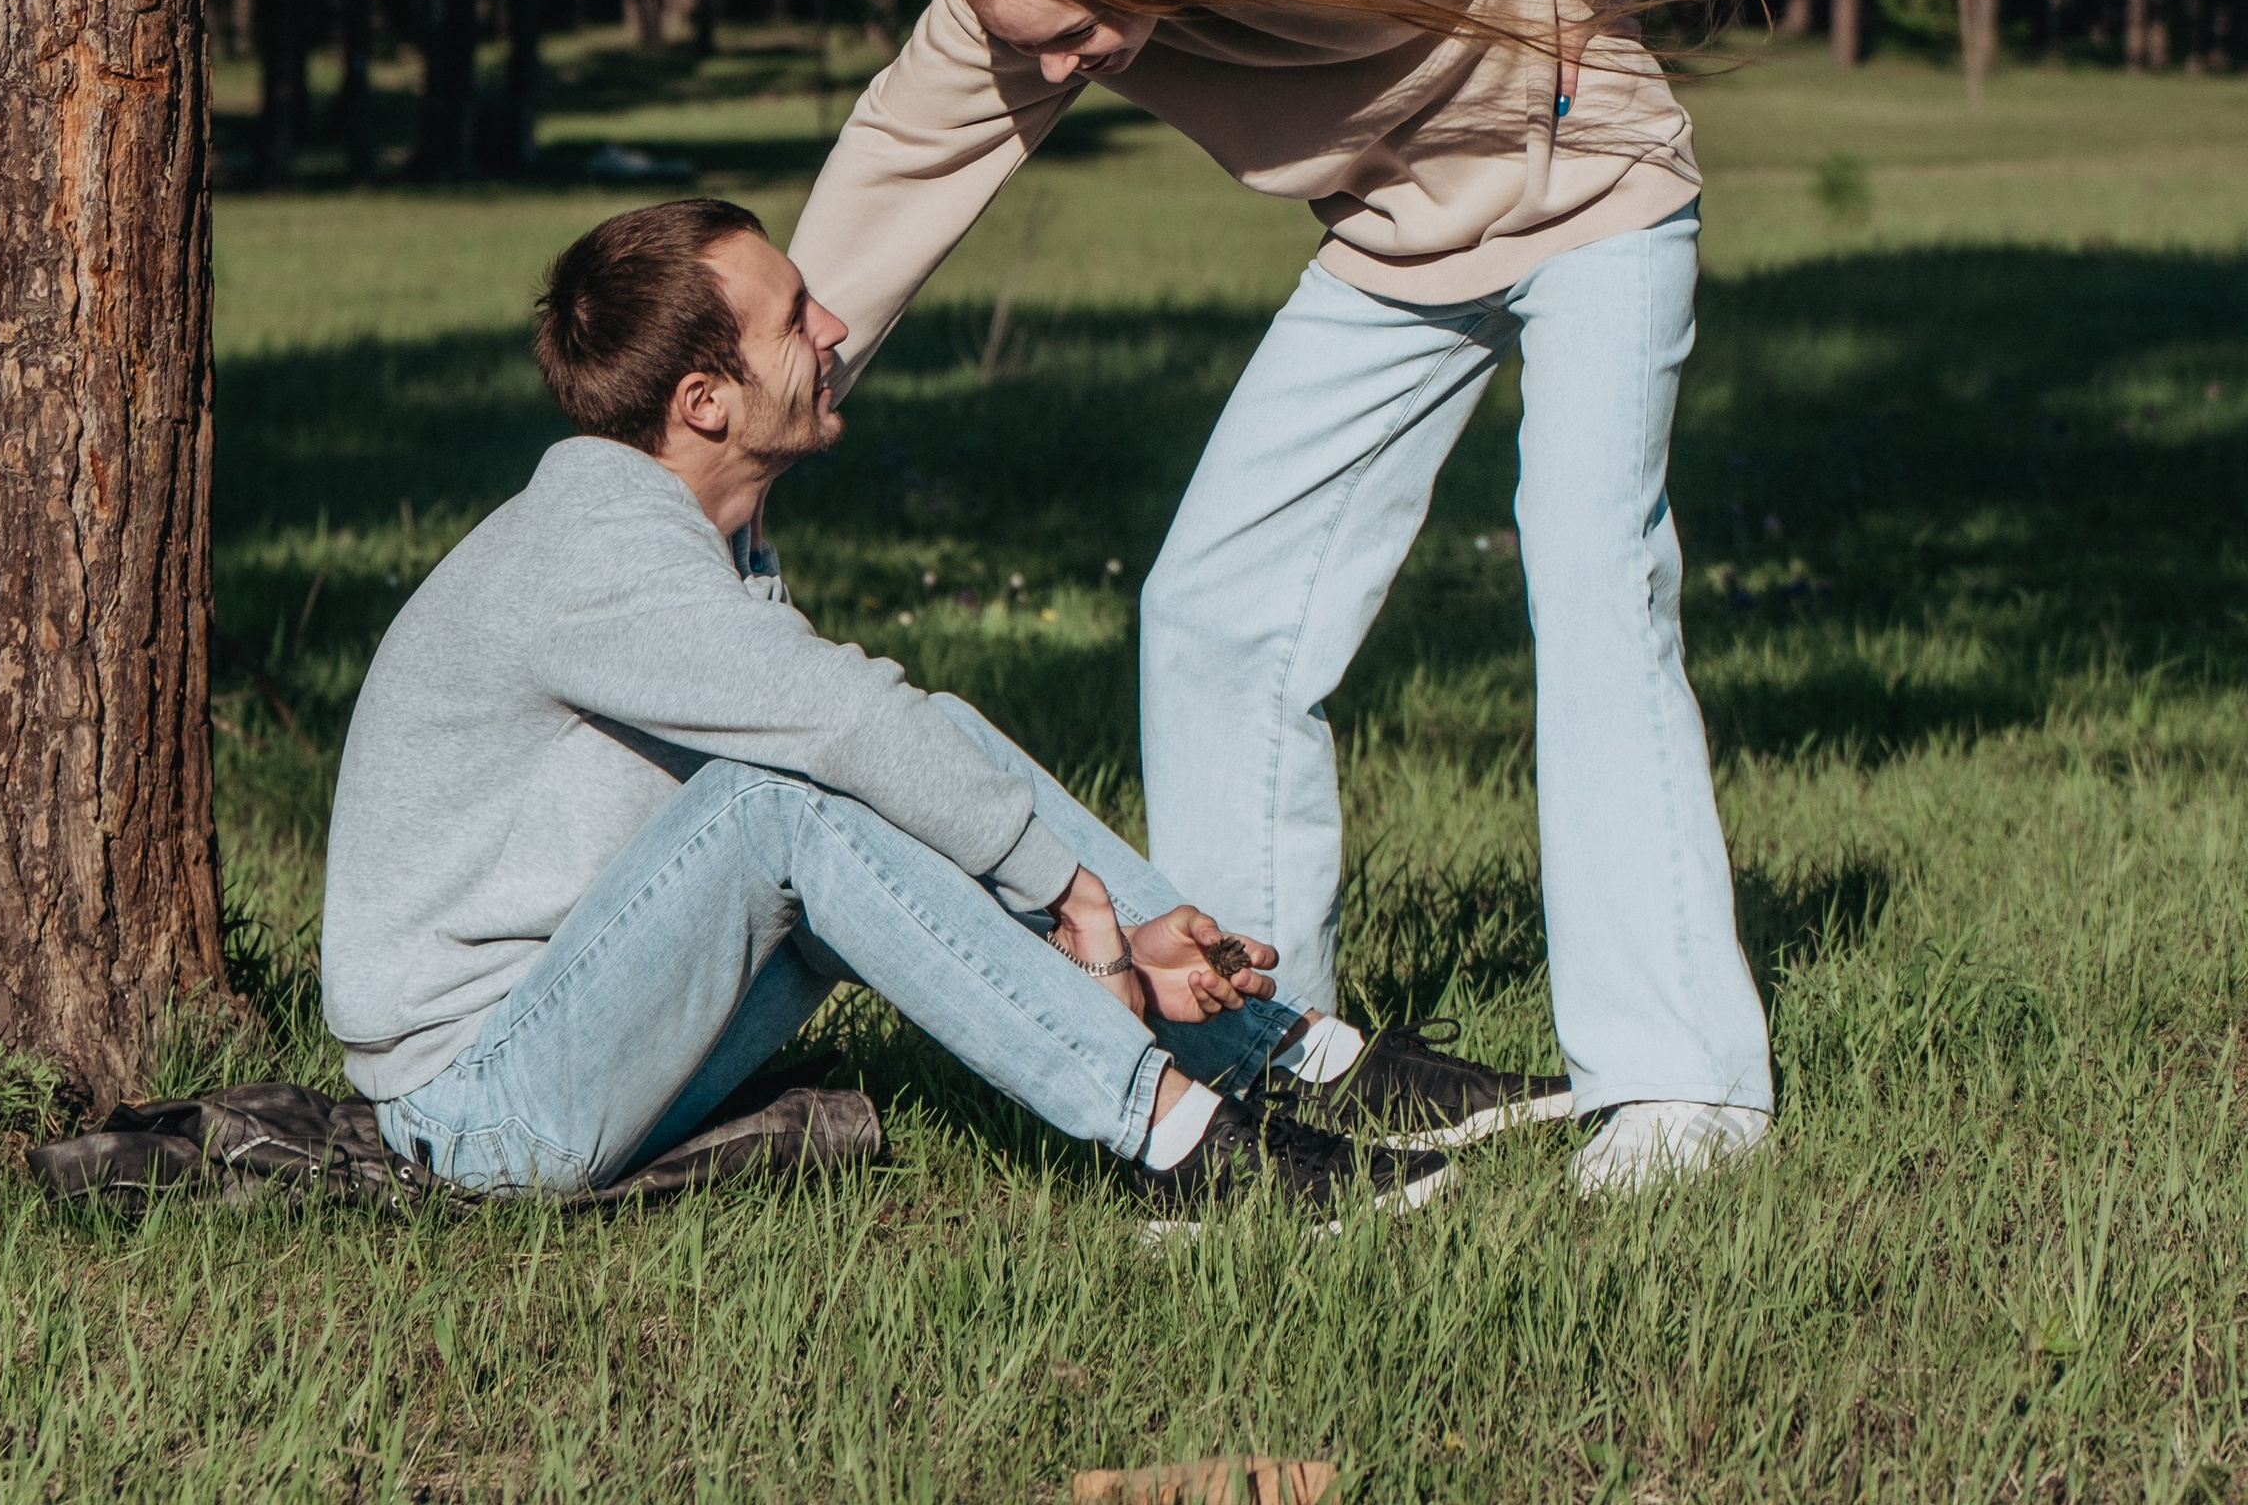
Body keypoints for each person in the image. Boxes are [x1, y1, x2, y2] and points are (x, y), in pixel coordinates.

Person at [789, 0, 1773, 1193]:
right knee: (1213, 607)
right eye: (1025, 44)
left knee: (1590, 583)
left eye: (1075, 34)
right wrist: (785, 383)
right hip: (1398, 247)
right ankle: (1259, 1050)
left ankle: (1679, 1091)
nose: (1057, 73)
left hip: (1600, 212)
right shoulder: (1025, 6)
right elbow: (901, 164)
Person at [320, 192, 1459, 1221]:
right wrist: (1068, 892)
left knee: (930, 738)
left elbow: (881, 736)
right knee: (783, 808)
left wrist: (1107, 915)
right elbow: (841, 728)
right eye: (795, 319)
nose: (833, 334)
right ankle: (1181, 1144)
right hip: (485, 1106)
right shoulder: (596, 555)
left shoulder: (677, 531)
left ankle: (1268, 1049)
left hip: (590, 1025)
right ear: (703, 401)